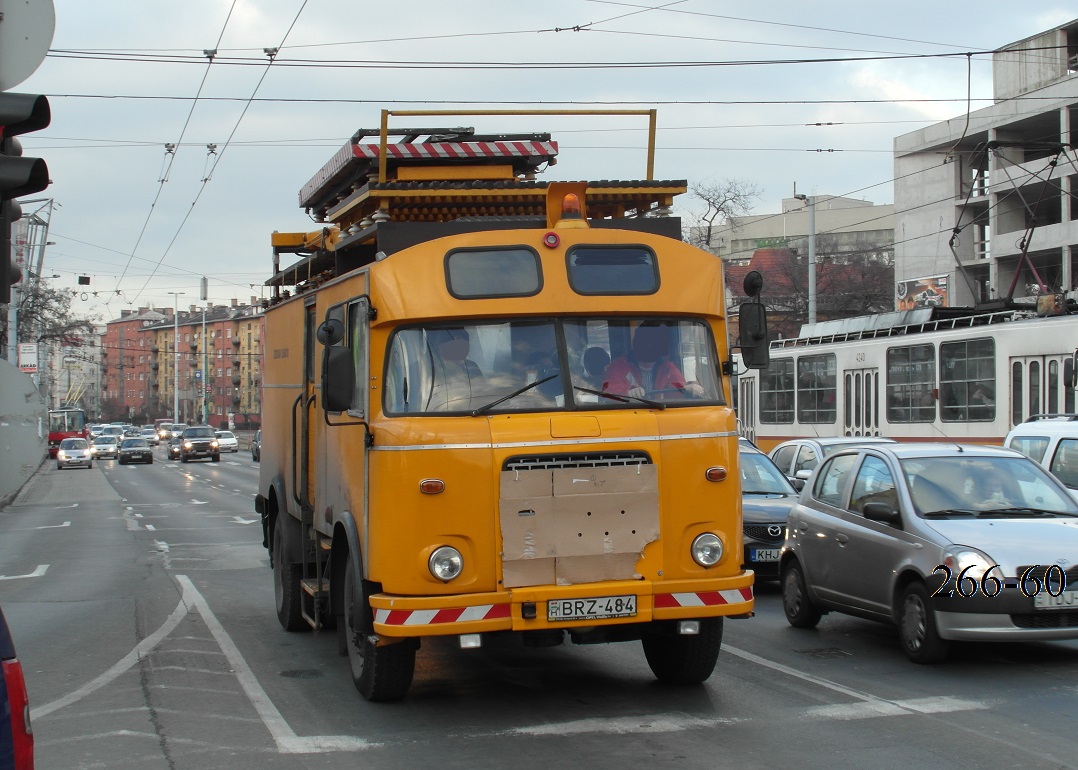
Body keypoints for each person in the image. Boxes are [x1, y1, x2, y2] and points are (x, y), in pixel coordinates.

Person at [603, 324, 703, 399]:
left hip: (660, 415)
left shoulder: (667, 367)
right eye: (644, 341)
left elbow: (677, 387)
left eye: (652, 342)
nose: (648, 346)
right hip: (629, 415)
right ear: (636, 343)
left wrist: (690, 388)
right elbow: (607, 391)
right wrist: (627, 393)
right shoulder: (618, 366)